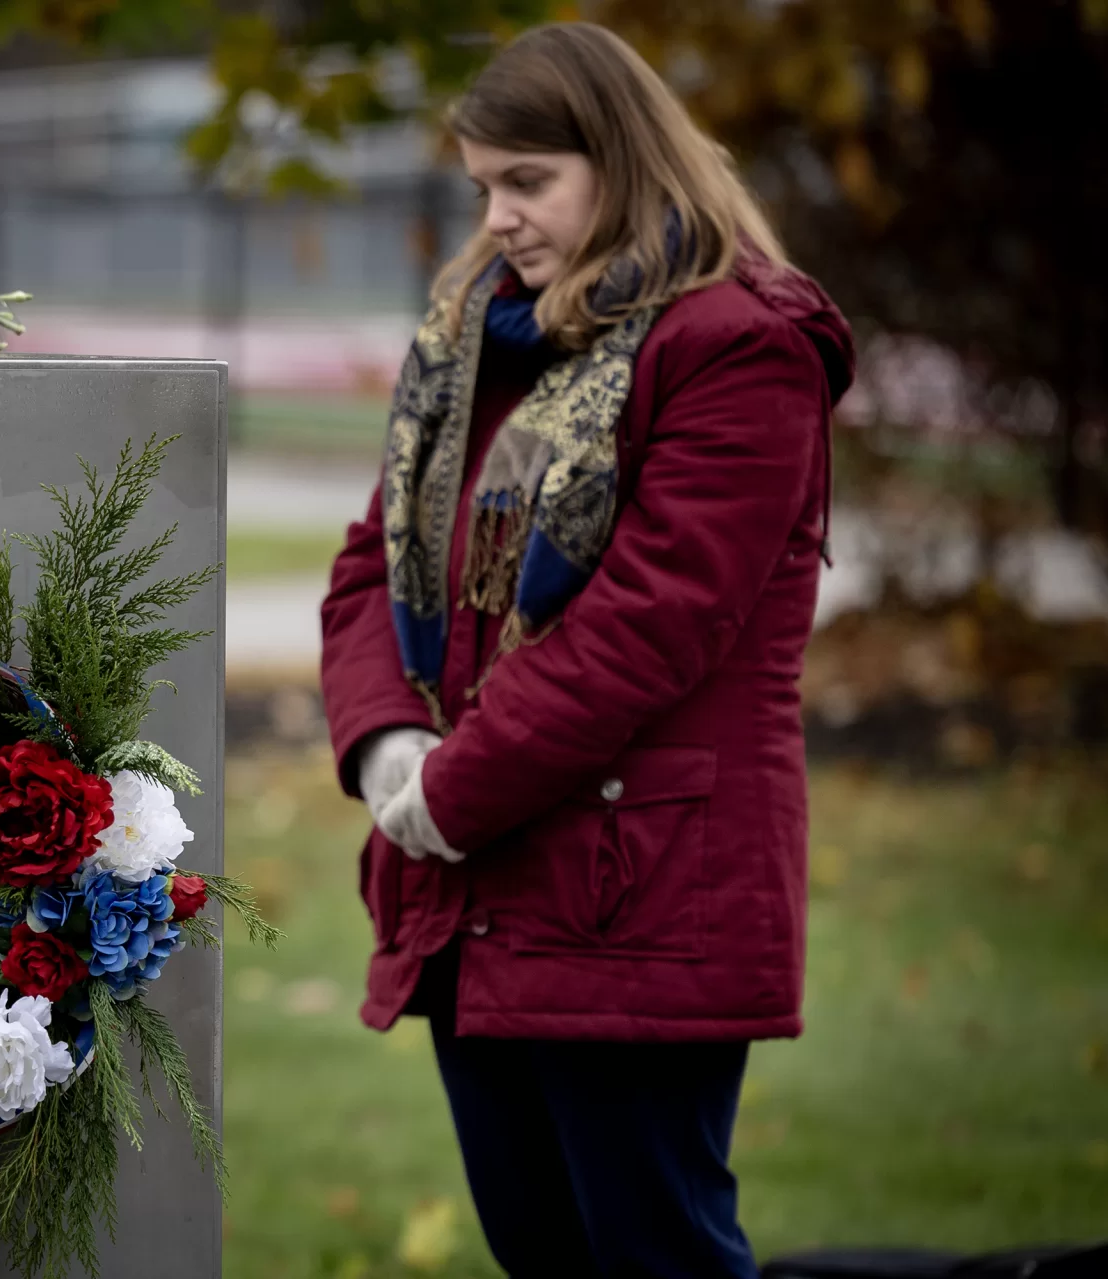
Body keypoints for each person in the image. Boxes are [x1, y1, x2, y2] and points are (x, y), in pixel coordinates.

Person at [319, 22, 855, 1279]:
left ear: (619, 163)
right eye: (481, 188)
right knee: (541, 1252)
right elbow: (371, 562)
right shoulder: (477, 345)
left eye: (527, 181)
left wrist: (449, 791)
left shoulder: (735, 347)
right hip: (481, 887)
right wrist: (388, 742)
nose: (496, 218)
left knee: (656, 1254)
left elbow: (648, 627)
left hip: (639, 883)